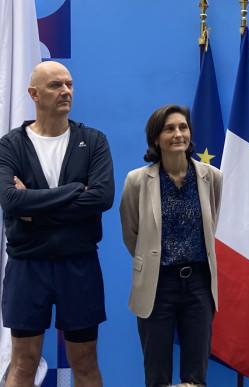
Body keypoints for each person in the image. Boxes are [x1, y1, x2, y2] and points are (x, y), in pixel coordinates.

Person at [0, 61, 114, 386]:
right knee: (23, 364)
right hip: (27, 266)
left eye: (69, 84)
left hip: (78, 266)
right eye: (55, 85)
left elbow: (102, 198)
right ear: (33, 94)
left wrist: (35, 209)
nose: (65, 91)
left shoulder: (93, 141)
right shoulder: (9, 146)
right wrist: (77, 190)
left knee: (86, 363)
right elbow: (10, 200)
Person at [119, 104, 222, 387]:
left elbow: (213, 221)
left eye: (183, 127)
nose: (178, 134)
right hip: (157, 286)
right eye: (169, 128)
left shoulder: (212, 177)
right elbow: (132, 234)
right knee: (157, 377)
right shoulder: (137, 181)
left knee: (195, 377)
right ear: (155, 138)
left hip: (199, 285)